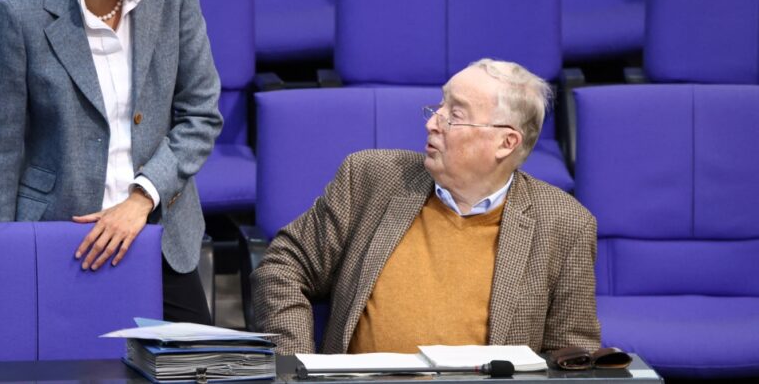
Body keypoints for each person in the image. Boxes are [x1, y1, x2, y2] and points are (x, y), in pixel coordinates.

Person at [0, 0, 223, 324]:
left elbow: (200, 114)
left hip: (159, 229)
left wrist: (141, 198)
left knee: (196, 367)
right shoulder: (21, 17)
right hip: (60, 238)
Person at [252, 59, 600, 354]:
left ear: (505, 143)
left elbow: (571, 356)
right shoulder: (370, 179)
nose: (432, 122)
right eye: (439, 107)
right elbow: (283, 266)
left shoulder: (564, 224)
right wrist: (294, 363)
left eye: (454, 115)